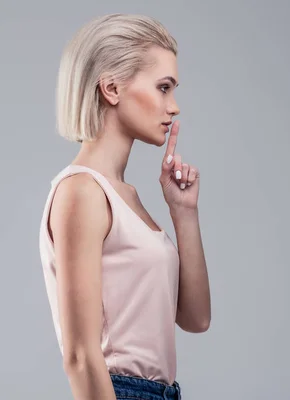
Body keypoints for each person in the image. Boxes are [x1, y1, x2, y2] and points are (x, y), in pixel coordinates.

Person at [39, 14, 211, 400]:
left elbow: (196, 318)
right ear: (112, 88)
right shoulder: (81, 192)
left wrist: (184, 212)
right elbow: (81, 356)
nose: (174, 106)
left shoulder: (126, 197)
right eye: (163, 87)